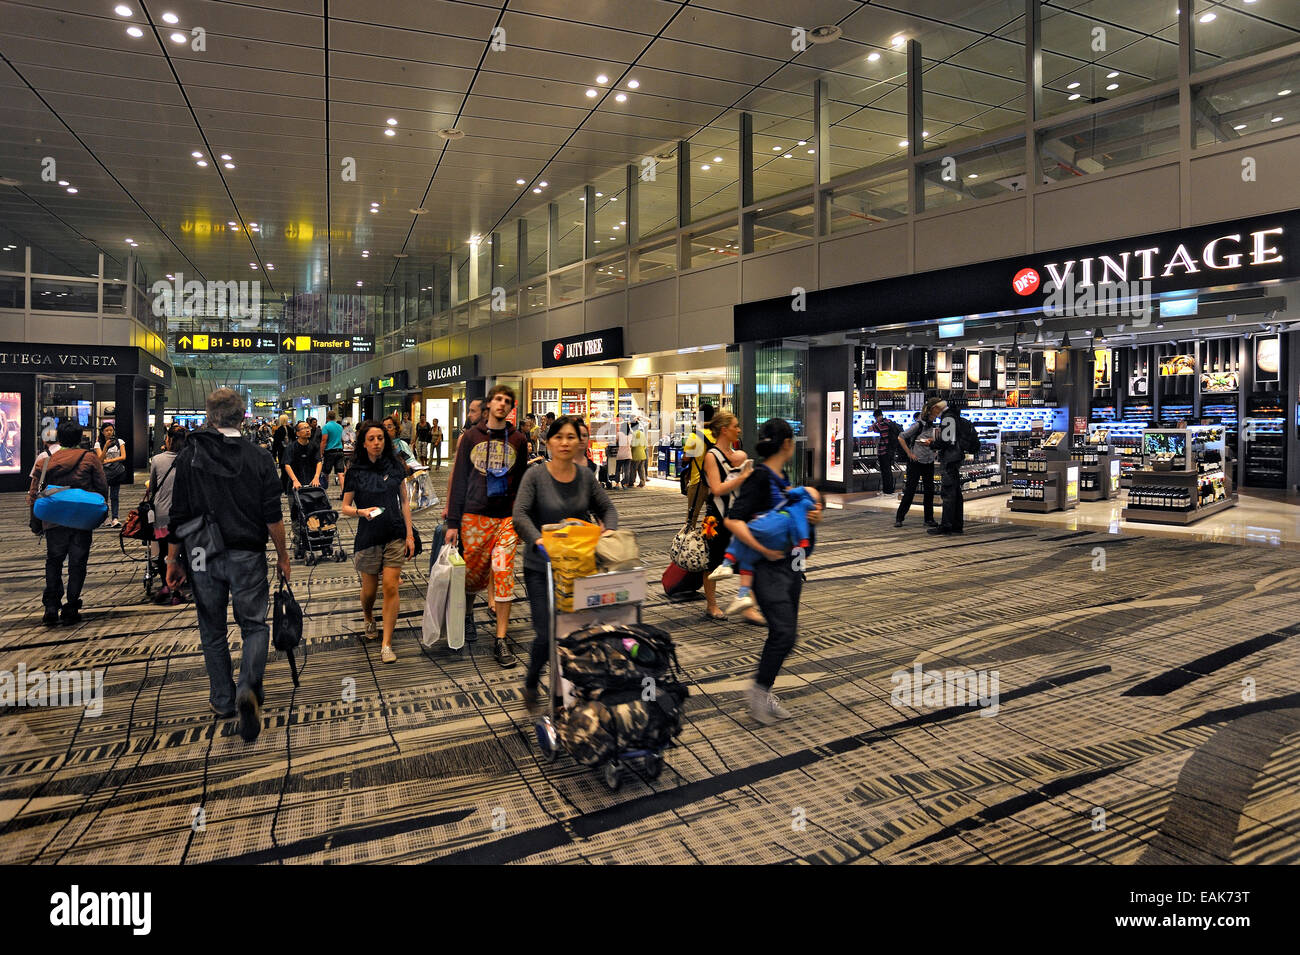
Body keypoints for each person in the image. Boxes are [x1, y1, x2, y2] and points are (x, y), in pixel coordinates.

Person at [166, 388, 290, 742]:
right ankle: (247, 688)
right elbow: (272, 516)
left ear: (209, 416)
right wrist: (282, 555)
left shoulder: (190, 453)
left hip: (203, 553)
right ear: (243, 416)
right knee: (254, 625)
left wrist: (173, 559)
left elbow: (179, 514)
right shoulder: (260, 458)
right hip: (247, 554)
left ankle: (222, 698)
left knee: (212, 629)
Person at [513, 415, 618, 710]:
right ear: (548, 441)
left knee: (575, 632)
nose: (565, 443)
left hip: (578, 567)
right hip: (541, 566)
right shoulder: (535, 476)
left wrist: (608, 532)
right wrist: (538, 540)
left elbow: (607, 508)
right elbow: (519, 515)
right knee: (547, 632)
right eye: (559, 437)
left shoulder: (585, 477)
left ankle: (568, 693)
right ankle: (533, 681)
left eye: (571, 437)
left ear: (579, 442)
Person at [725, 417, 823, 725]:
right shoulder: (759, 478)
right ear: (786, 445)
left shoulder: (783, 478)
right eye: (792, 441)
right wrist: (763, 548)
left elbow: (791, 519)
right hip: (768, 569)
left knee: (786, 635)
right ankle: (757, 693)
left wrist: (813, 519)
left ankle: (763, 691)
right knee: (784, 633)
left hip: (792, 567)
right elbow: (733, 519)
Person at [445, 385, 529, 668]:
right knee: (473, 575)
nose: (502, 405)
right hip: (474, 516)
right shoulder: (470, 437)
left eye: (507, 401)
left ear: (510, 407)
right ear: (490, 405)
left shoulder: (518, 439)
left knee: (504, 573)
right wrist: (452, 522)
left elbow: (521, 482)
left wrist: (521, 517)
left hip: (506, 519)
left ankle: (500, 639)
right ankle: (468, 616)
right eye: (498, 400)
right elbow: (458, 480)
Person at [340, 420, 415, 664]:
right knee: (369, 591)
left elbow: (404, 501)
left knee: (391, 586)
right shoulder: (355, 470)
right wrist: (361, 512)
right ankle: (369, 615)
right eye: (371, 439)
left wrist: (410, 534)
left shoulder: (395, 465)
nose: (376, 443)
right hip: (368, 534)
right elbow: (345, 508)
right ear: (363, 443)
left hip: (394, 532)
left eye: (380, 438)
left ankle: (386, 644)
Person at [28, 421, 108, 626]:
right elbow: (102, 487)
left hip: (54, 520)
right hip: (81, 520)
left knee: (54, 561)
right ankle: (71, 606)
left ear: (59, 439)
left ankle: (51, 606)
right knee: (77, 564)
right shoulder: (89, 458)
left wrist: (35, 522)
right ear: (80, 438)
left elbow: (34, 493)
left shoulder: (46, 461)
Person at [698, 411, 759, 622]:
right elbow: (717, 489)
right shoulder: (711, 456)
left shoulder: (736, 454)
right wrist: (743, 477)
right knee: (712, 562)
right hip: (713, 519)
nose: (739, 429)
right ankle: (711, 605)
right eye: (736, 426)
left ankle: (747, 604)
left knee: (745, 559)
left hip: (736, 516)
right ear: (724, 430)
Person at [148, 425, 188, 604]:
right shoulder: (190, 459)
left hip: (163, 514)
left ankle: (167, 585)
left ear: (169, 440)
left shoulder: (157, 460)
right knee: (186, 551)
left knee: (165, 552)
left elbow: (153, 488)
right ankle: (181, 587)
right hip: (185, 514)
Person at [896, 399, 940, 528]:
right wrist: (909, 453)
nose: (935, 416)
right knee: (910, 490)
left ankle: (929, 519)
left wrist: (934, 447)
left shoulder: (933, 425)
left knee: (929, 491)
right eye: (934, 414)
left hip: (929, 460)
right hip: (916, 461)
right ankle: (899, 517)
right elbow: (901, 437)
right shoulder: (918, 425)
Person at [928, 399, 966, 536]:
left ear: (937, 408)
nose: (933, 413)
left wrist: (931, 444)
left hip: (950, 459)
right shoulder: (953, 415)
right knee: (955, 493)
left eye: (932, 410)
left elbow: (947, 441)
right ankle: (956, 524)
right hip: (955, 458)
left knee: (948, 493)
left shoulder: (948, 418)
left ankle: (947, 525)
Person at [95, 422, 128, 527]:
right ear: (102, 432)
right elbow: (100, 460)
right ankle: (105, 518)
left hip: (116, 473)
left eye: (111, 430)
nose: (109, 432)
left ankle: (115, 518)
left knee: (114, 496)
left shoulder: (119, 442)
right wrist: (105, 447)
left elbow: (123, 457)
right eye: (106, 430)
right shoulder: (98, 444)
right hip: (104, 474)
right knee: (104, 497)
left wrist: (110, 460)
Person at [284, 420, 323, 491]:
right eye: (304, 428)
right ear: (297, 433)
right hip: (296, 481)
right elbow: (287, 465)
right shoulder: (291, 447)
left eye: (308, 428)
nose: (307, 430)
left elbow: (319, 461)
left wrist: (316, 477)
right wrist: (295, 480)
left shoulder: (314, 445)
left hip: (312, 480)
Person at [872, 409, 902, 496]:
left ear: (877, 416)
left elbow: (870, 429)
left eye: (875, 417)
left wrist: (875, 423)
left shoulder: (881, 425)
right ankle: (890, 489)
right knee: (888, 470)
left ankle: (887, 490)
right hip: (891, 450)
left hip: (884, 451)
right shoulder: (889, 422)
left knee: (885, 471)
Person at [321, 409, 346, 497]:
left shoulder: (326, 427)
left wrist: (321, 452)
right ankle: (343, 492)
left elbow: (324, 440)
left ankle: (324, 493)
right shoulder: (340, 427)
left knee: (326, 472)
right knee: (340, 473)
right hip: (339, 451)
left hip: (330, 452)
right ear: (335, 417)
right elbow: (342, 439)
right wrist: (342, 448)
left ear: (327, 417)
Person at [271, 414, 292, 490]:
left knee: (283, 469)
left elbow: (275, 444)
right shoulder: (291, 429)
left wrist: (273, 454)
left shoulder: (278, 430)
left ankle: (283, 486)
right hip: (290, 452)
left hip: (282, 452)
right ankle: (287, 485)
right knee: (290, 468)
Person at [614, 420, 633, 488]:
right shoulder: (631, 435)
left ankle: (617, 484)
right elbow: (631, 444)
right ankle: (625, 484)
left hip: (620, 455)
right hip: (628, 455)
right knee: (627, 470)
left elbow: (615, 441)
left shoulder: (619, 434)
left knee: (618, 470)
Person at [629, 419, 648, 487]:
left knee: (633, 469)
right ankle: (642, 482)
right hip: (642, 454)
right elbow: (645, 445)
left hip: (635, 455)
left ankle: (631, 482)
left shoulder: (632, 434)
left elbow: (632, 445)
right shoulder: (642, 434)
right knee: (641, 469)